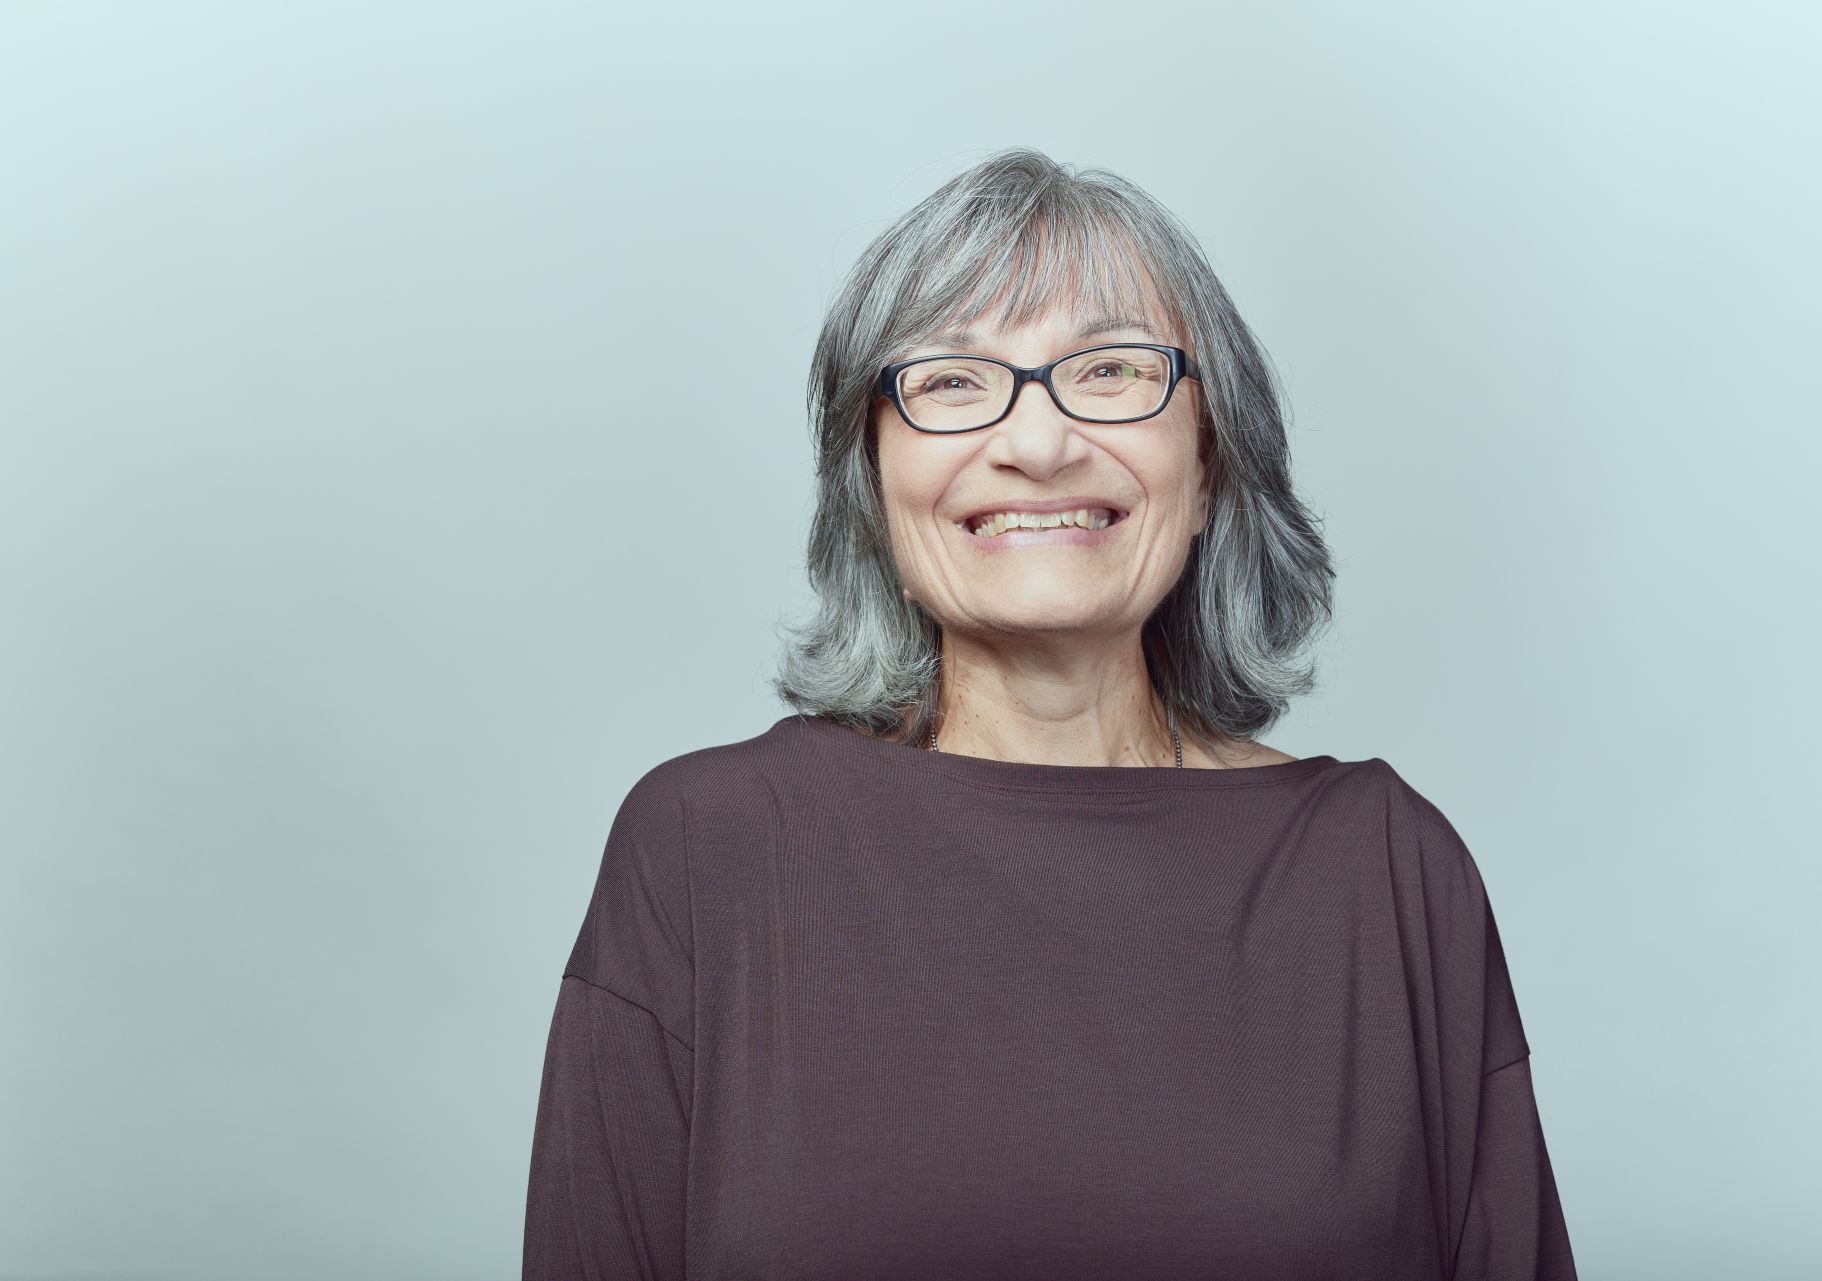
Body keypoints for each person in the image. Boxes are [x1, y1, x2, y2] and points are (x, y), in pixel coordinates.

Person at [523, 148, 1578, 1279]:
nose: (1036, 444)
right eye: (952, 381)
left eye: (1113, 370)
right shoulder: (707, 849)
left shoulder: (1386, 868)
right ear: (872, 478)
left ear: (1211, 459)